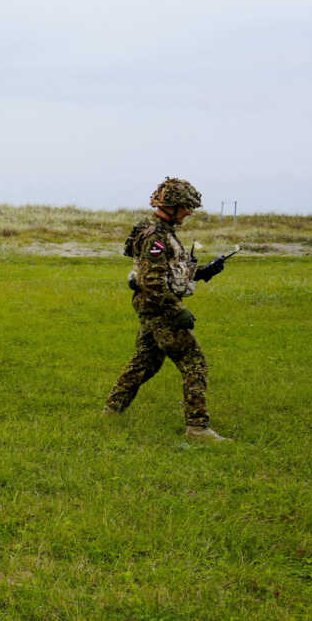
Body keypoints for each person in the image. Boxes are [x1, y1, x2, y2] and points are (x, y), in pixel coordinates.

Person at [104, 177, 231, 441]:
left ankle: (111, 411)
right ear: (171, 205)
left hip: (153, 309)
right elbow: (152, 283)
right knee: (194, 363)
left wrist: (205, 272)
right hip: (160, 310)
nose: (189, 212)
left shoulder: (159, 231)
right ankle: (197, 428)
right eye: (186, 206)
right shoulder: (156, 237)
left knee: (145, 362)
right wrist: (177, 310)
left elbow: (171, 275)